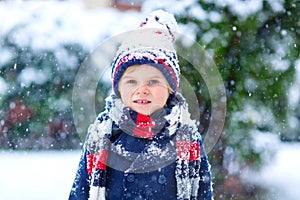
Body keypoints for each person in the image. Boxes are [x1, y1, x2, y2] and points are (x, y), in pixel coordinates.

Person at [69, 9, 213, 200]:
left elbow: (201, 192)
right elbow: (81, 191)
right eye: (131, 82)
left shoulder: (185, 136)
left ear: (170, 89)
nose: (142, 89)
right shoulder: (103, 132)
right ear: (118, 89)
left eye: (153, 81)